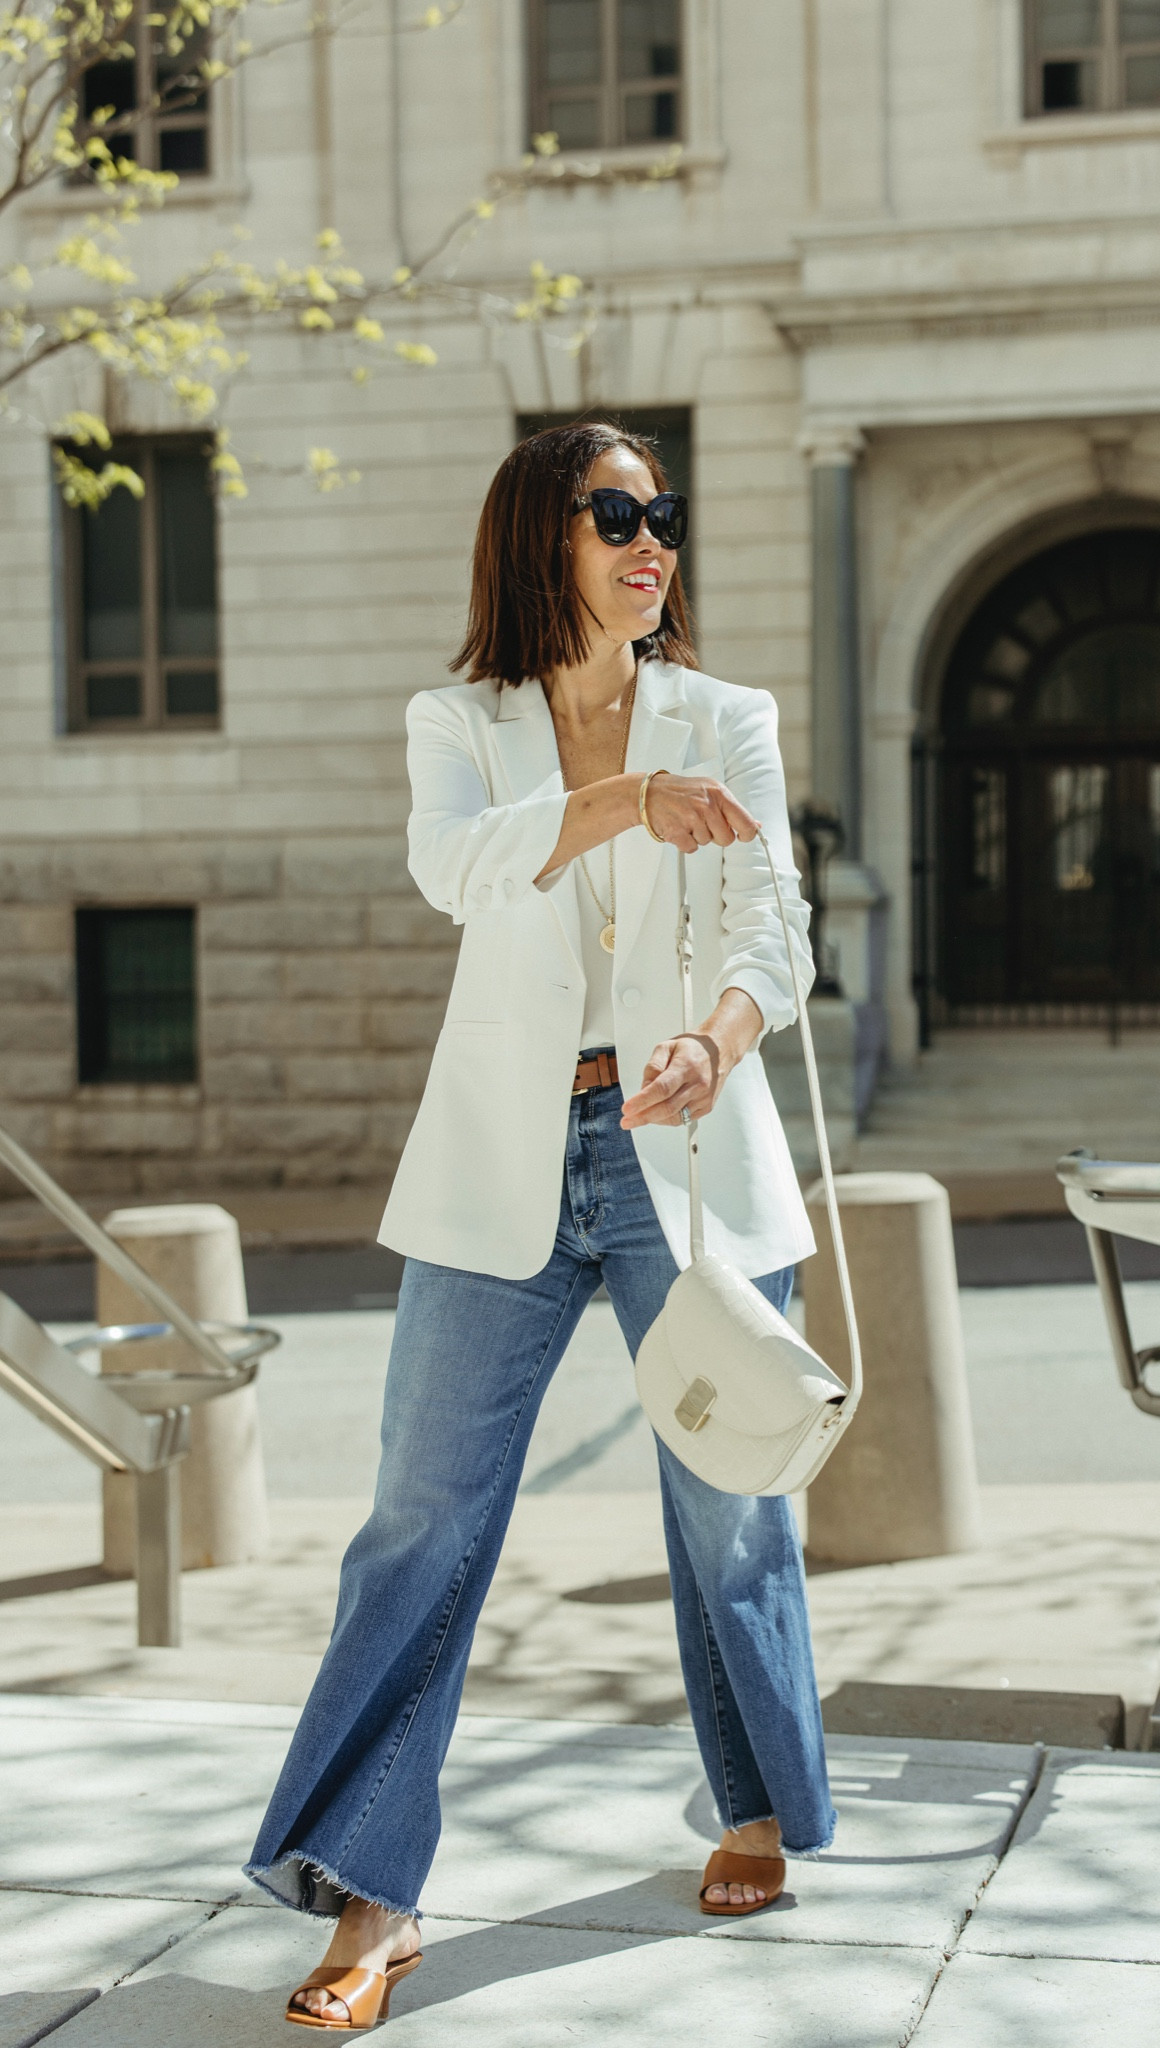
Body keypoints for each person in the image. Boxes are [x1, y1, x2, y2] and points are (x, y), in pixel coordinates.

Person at [247, 419, 833, 2031]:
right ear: (541, 540)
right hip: (503, 1152)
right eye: (618, 516)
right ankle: (374, 1890)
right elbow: (457, 870)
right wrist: (627, 798)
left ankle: (759, 1805)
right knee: (420, 1520)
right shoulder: (463, 720)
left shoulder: (733, 714)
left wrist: (716, 1038)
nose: (655, 543)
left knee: (733, 1509)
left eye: (667, 518)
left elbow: (777, 921)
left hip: (689, 1143)